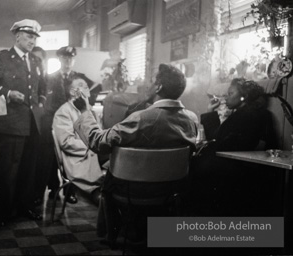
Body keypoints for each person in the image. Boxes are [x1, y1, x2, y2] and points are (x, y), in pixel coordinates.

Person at [72, 64, 198, 242]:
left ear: (159, 87)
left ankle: (114, 233)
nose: (147, 85)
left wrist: (85, 111)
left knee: (109, 170)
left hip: (133, 192)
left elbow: (98, 142)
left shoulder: (140, 118)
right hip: (169, 192)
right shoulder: (191, 119)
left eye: (151, 80)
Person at [0, 19, 46, 226]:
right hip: (11, 123)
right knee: (9, 170)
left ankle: (25, 206)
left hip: (33, 124)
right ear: (17, 36)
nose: (32, 41)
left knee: (29, 169)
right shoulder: (2, 58)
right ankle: (4, 212)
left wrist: (41, 105)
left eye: (34, 37)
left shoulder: (36, 61)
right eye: (29, 37)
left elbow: (41, 88)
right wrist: (8, 93)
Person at [191, 78, 276, 215]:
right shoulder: (255, 113)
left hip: (231, 170)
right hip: (242, 168)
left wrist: (210, 112)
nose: (225, 98)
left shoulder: (246, 115)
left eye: (230, 94)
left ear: (244, 97)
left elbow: (219, 141)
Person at [36, 46, 99, 204]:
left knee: (72, 156)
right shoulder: (49, 78)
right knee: (51, 156)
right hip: (51, 122)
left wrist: (84, 104)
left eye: (70, 58)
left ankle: (71, 191)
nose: (67, 61)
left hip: (73, 122)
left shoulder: (80, 78)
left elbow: (96, 88)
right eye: (64, 58)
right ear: (59, 59)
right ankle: (53, 188)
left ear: (74, 60)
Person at [53, 78, 104, 204]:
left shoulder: (90, 110)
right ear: (72, 92)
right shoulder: (64, 112)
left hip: (93, 155)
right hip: (78, 159)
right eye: (82, 86)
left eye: (87, 86)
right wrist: (92, 145)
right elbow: (66, 141)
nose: (86, 88)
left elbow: (99, 134)